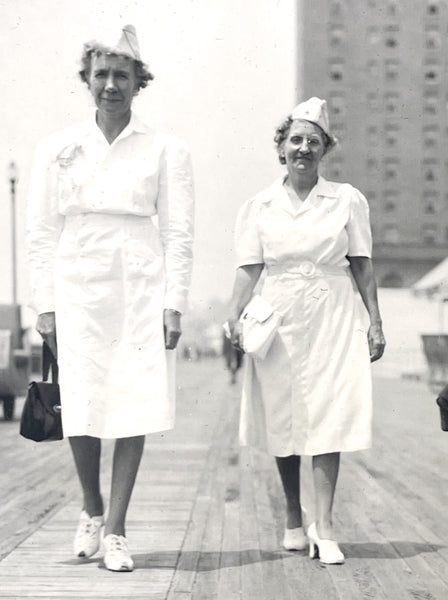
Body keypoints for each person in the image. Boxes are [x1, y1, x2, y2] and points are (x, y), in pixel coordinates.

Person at [26, 25, 194, 572]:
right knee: (82, 403)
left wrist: (174, 302)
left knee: (133, 403)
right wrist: (44, 304)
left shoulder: (166, 149)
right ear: (87, 80)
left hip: (139, 285)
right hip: (77, 286)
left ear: (139, 82)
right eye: (101, 74)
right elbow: (41, 233)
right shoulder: (58, 148)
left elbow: (178, 233)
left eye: (122, 75)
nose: (111, 85)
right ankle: (91, 509)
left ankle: (118, 530)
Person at [227, 97, 385, 565]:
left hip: (333, 312)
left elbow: (362, 265)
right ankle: (294, 518)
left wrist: (375, 320)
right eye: (295, 139)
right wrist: (232, 314)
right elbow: (247, 268)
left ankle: (326, 525)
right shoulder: (259, 206)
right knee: (283, 416)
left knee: (328, 415)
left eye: (313, 142)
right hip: (277, 315)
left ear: (325, 150)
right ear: (281, 148)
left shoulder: (347, 200)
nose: (303, 148)